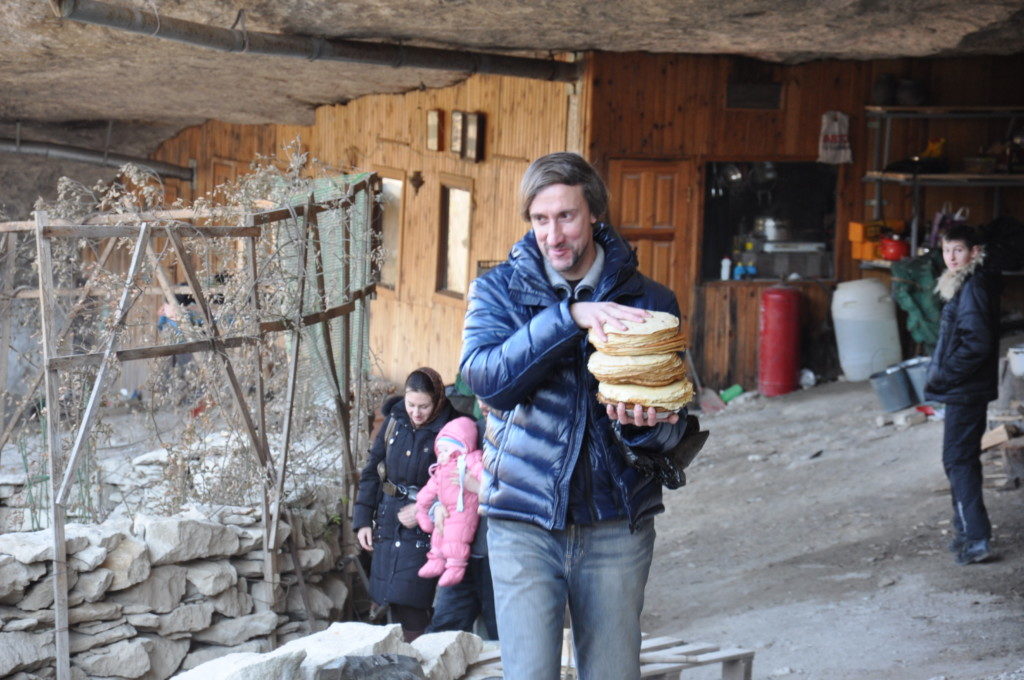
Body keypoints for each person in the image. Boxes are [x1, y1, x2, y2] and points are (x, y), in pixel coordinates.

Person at [460, 152, 694, 679]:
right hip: (521, 522)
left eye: (566, 216)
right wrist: (569, 318)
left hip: (616, 525)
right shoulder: (497, 291)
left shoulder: (650, 300)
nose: (553, 233)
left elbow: (677, 417)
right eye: (540, 220)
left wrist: (648, 425)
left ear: (595, 216)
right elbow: (488, 382)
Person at [352, 367, 461, 641]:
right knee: (387, 599)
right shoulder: (394, 421)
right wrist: (363, 519)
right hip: (389, 520)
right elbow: (371, 471)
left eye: (424, 406)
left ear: (438, 400)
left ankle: (418, 662)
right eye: (411, 404)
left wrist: (425, 506)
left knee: (413, 604)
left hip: (426, 526)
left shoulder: (454, 428)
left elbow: (460, 483)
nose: (416, 412)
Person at [924, 224, 1001, 565]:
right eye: (946, 250)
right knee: (958, 460)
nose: (951, 257)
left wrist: (943, 376)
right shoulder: (963, 284)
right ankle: (967, 532)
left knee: (958, 461)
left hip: (966, 390)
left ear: (974, 251)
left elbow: (976, 344)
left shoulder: (973, 287)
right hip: (964, 389)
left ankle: (976, 538)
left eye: (958, 250)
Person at [427, 398, 499, 640]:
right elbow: (439, 481)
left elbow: (530, 495)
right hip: (459, 557)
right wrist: (436, 507)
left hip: (500, 558)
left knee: (503, 638)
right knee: (442, 632)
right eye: (479, 395)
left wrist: (479, 488)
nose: (484, 402)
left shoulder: (522, 437)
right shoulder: (467, 431)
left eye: (491, 394)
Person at [415, 416, 485, 587]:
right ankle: (436, 559)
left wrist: (478, 487)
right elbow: (433, 487)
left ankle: (455, 566)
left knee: (456, 538)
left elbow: (487, 479)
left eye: (446, 450)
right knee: (439, 535)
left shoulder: (471, 460)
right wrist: (427, 506)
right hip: (447, 509)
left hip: (464, 510)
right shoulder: (443, 467)